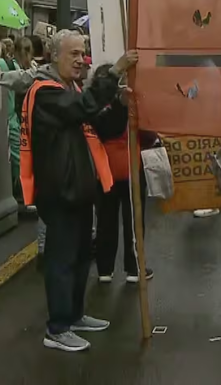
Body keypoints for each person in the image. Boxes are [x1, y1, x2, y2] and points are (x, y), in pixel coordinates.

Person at [19, 30, 135, 353]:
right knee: (62, 260)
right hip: (60, 192)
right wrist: (114, 72)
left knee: (82, 257)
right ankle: (57, 327)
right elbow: (82, 108)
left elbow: (102, 126)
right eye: (73, 53)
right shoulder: (45, 92)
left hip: (80, 189)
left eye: (83, 53)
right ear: (54, 56)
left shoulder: (71, 90)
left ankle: (74, 315)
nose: (81, 60)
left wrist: (121, 105)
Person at [90, 63, 155, 284]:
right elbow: (149, 136)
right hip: (130, 169)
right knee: (134, 221)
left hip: (104, 170)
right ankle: (134, 267)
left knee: (105, 221)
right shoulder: (129, 106)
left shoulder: (93, 107)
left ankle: (104, 268)